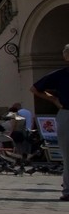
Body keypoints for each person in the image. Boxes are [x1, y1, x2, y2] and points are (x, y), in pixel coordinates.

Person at [31, 43, 69, 201]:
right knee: (68, 154)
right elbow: (35, 88)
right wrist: (53, 99)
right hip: (67, 112)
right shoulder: (61, 74)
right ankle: (68, 191)